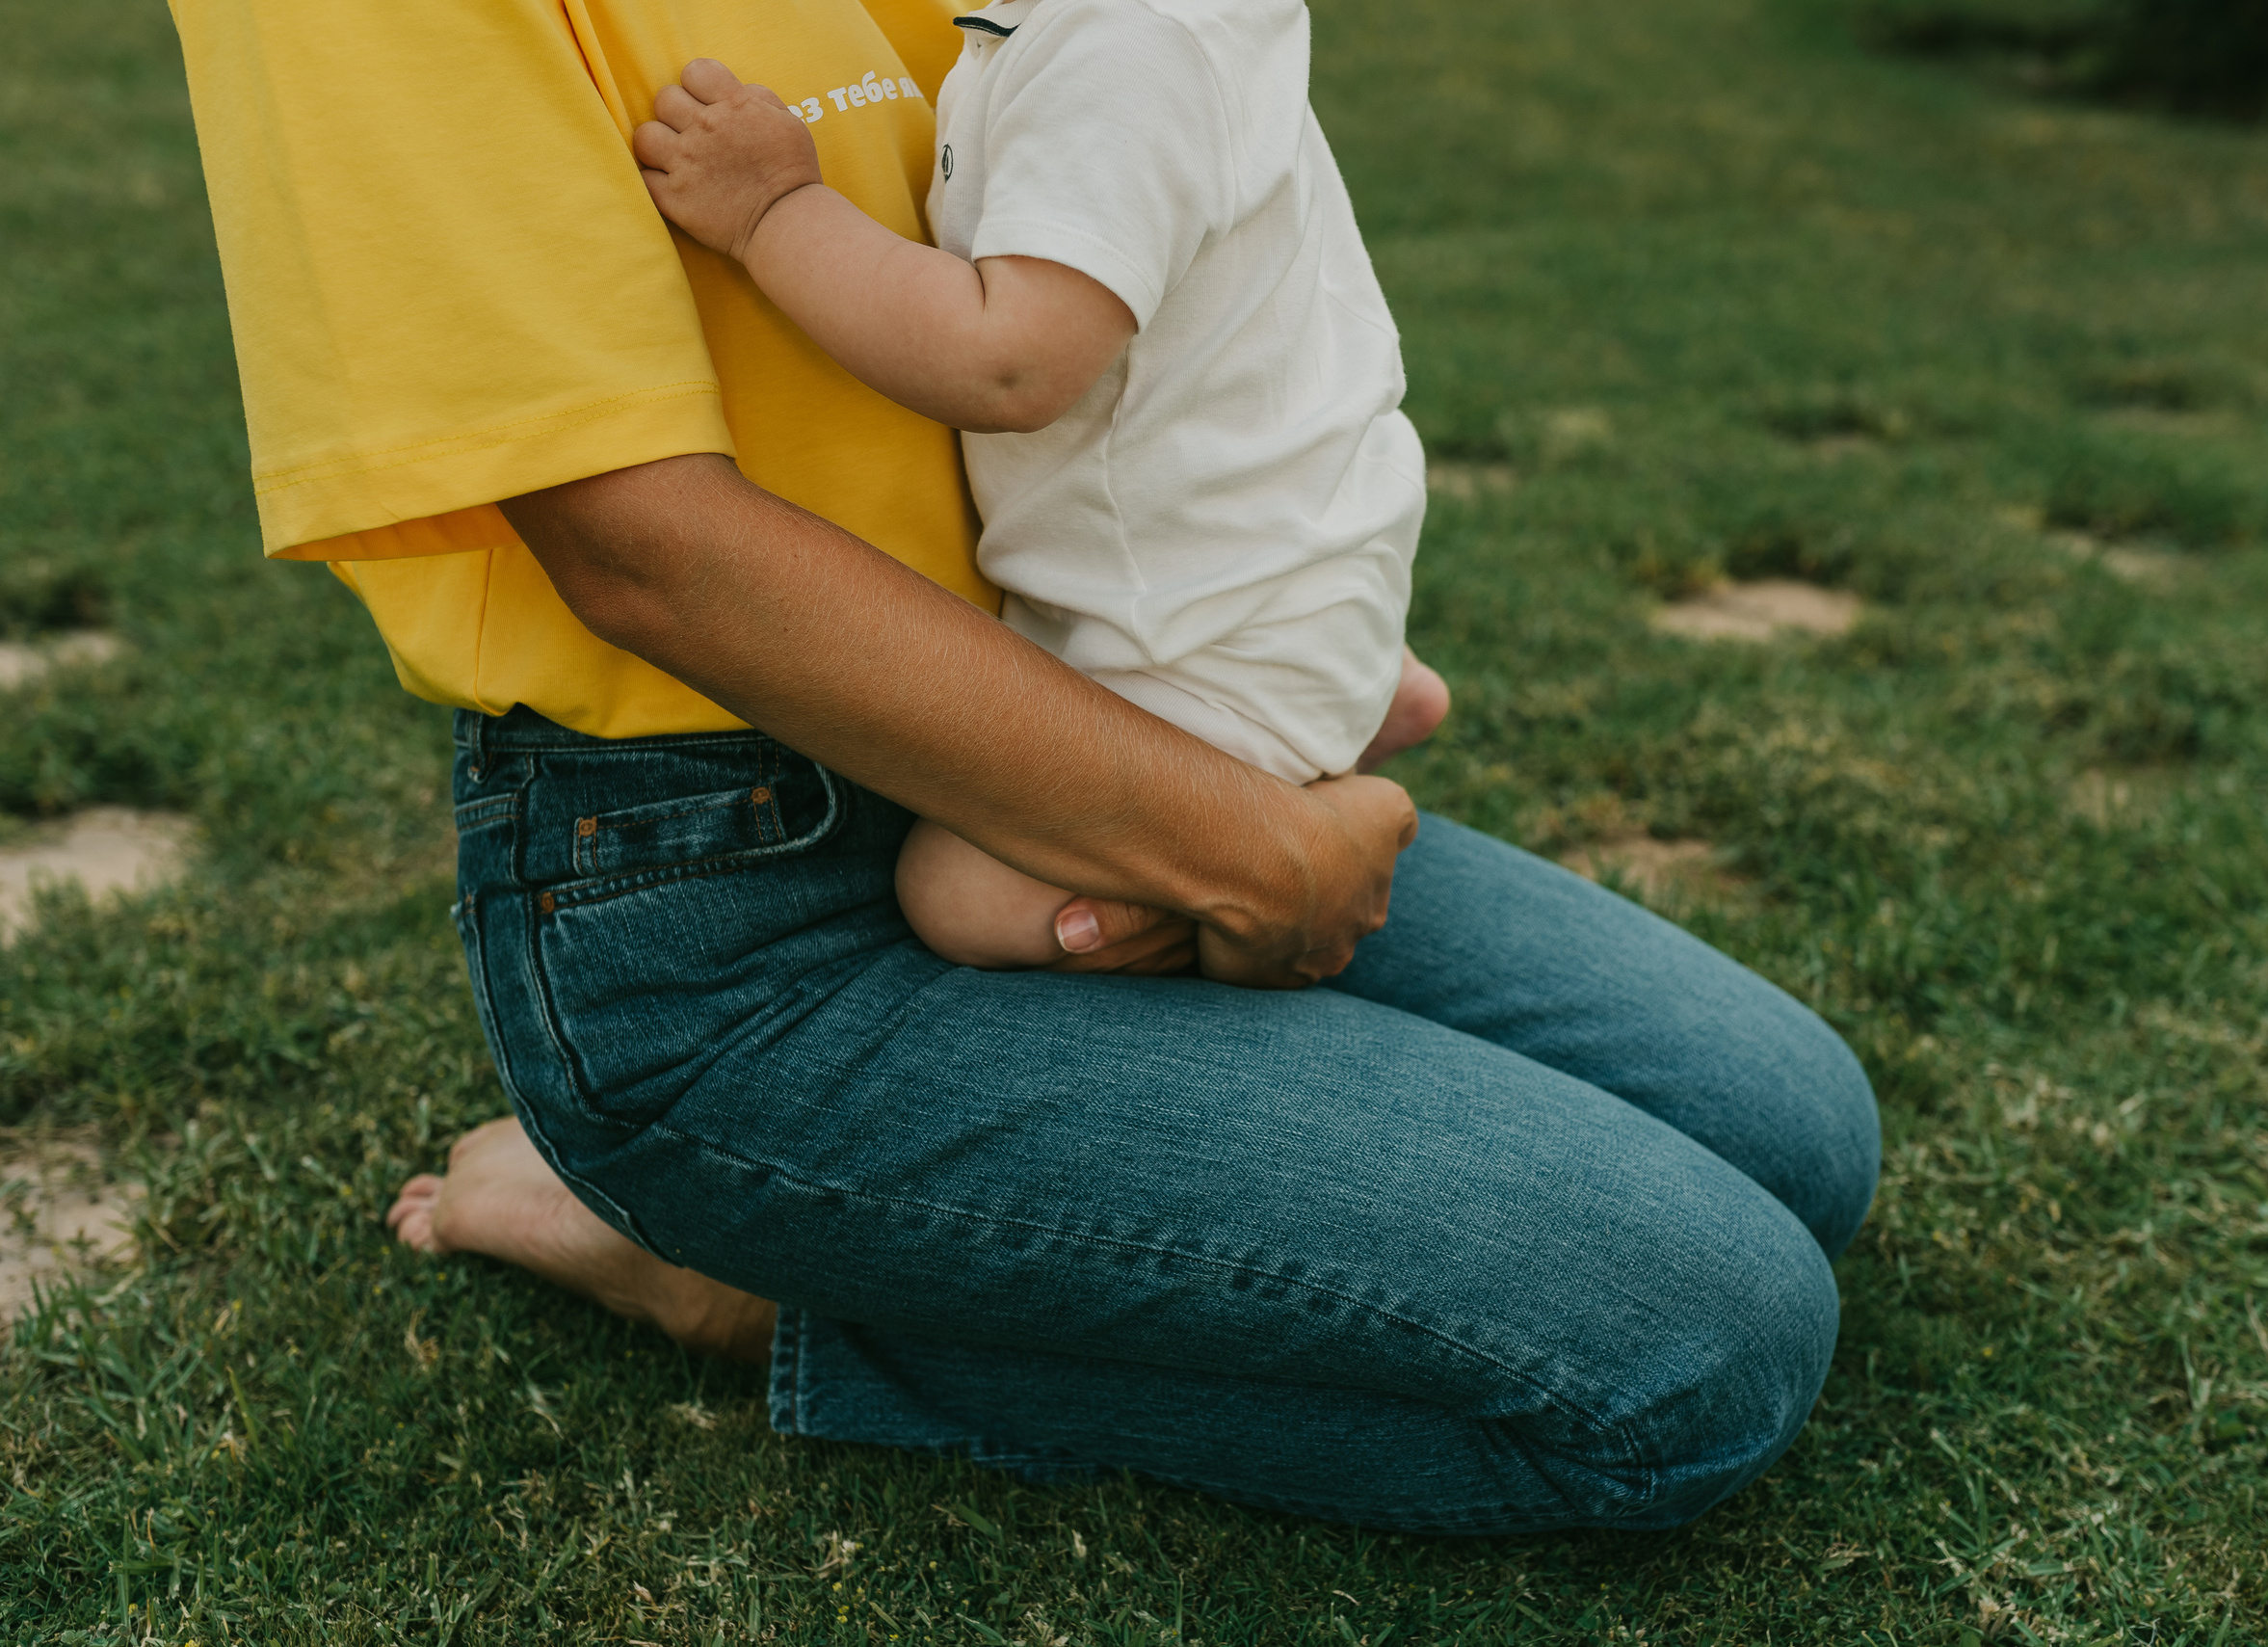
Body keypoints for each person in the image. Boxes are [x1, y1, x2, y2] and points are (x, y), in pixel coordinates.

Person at [171, 0, 1881, 1533]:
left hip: (1071, 728)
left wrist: (1256, 697)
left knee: (1800, 1134)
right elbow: (647, 551)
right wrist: (1247, 850)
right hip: (732, 879)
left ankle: (930, 1229)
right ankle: (744, 1277)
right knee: (1696, 1352)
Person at [632, 20, 1437, 969]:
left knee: (959, 893)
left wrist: (774, 211)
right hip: (1292, 566)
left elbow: (1008, 362)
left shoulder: (1119, 47)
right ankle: (1349, 699)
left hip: (1194, 639)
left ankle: (1293, 841)